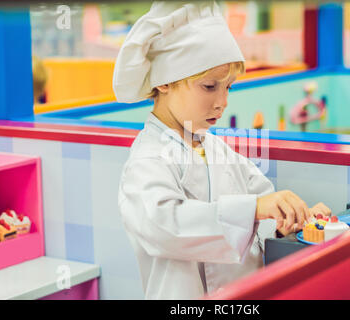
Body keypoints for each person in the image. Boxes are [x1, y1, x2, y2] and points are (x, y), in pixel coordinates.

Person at [114, 1, 331, 300]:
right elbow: (164, 227)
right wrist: (255, 208)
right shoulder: (147, 159)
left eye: (228, 87)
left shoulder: (218, 151)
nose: (223, 101)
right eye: (209, 86)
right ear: (164, 82)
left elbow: (261, 218)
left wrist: (289, 222)